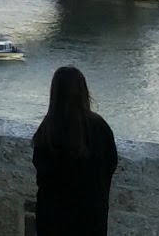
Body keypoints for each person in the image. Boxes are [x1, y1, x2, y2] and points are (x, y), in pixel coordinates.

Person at [32, 65, 119, 235]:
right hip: (91, 217)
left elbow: (42, 174)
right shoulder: (99, 127)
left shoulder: (47, 131)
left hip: (53, 219)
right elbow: (111, 163)